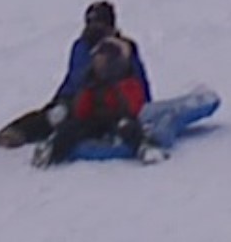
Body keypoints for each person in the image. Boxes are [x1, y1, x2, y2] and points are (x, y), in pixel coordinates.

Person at [0, 0, 152, 148]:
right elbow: (73, 78)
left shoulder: (123, 48)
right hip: (79, 98)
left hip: (113, 99)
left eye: (99, 24)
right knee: (56, 116)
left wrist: (145, 106)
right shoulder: (81, 46)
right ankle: (18, 131)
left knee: (115, 123)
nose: (94, 29)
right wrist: (61, 100)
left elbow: (137, 78)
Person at [30, 36, 165, 166]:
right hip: (96, 121)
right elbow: (81, 112)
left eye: (102, 60)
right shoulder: (92, 81)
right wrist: (87, 92)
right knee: (71, 127)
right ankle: (52, 150)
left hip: (118, 119)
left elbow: (133, 108)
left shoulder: (128, 81)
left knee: (127, 126)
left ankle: (145, 147)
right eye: (96, 61)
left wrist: (117, 88)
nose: (98, 65)